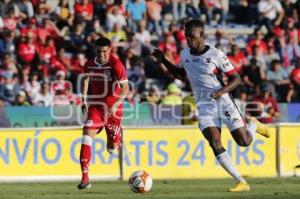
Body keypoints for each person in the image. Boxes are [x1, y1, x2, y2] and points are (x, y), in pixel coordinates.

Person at [152, 19, 270, 192]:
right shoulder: (185, 54)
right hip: (204, 105)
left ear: (201, 35)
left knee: (244, 141)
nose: (188, 40)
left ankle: (253, 125)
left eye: (192, 36)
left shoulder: (216, 54)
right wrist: (164, 60)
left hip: (223, 101)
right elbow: (181, 76)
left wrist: (222, 91)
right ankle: (241, 181)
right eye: (186, 36)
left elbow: (236, 78)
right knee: (214, 142)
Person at [78, 37, 129, 189]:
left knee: (112, 149)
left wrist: (116, 105)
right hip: (96, 107)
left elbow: (126, 89)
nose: (102, 55)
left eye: (105, 51)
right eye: (99, 51)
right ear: (95, 50)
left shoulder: (116, 64)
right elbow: (85, 80)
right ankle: (85, 177)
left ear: (110, 50)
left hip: (114, 109)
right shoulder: (89, 64)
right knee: (87, 131)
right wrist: (83, 99)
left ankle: (115, 138)